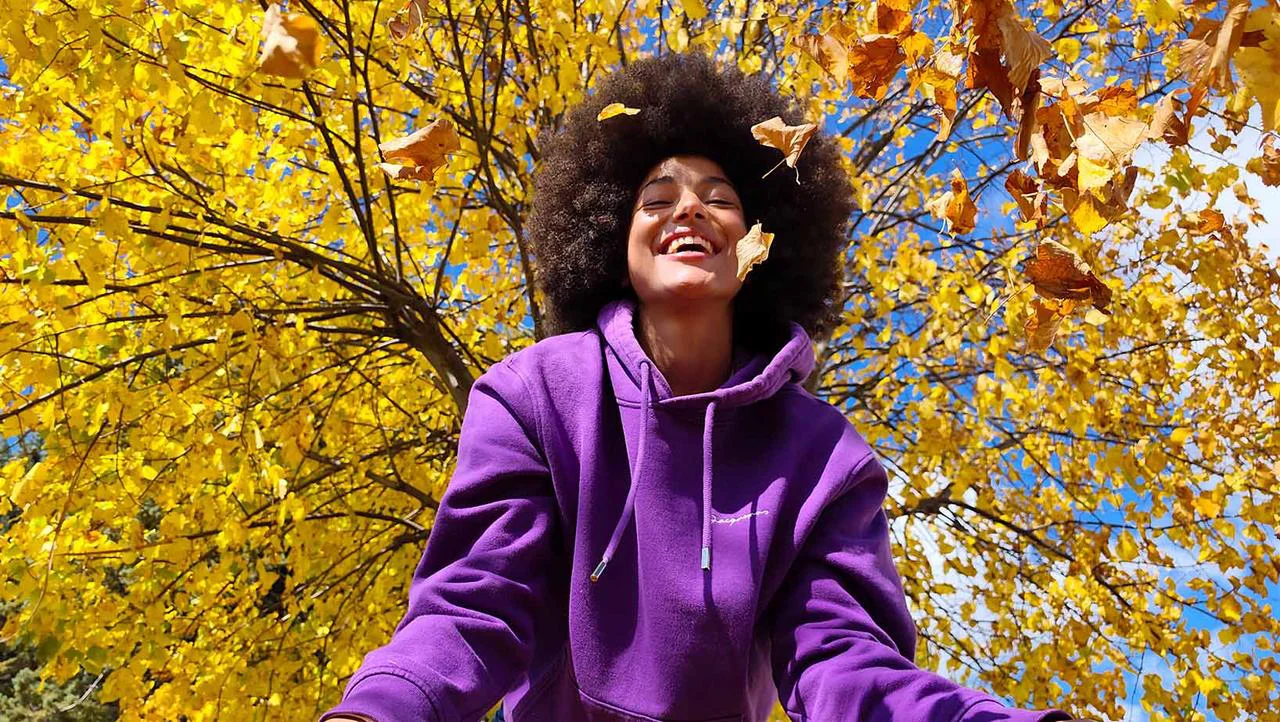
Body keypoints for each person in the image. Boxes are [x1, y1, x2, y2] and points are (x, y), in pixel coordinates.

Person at [319, 51, 1096, 722]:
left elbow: (845, 661)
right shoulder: (532, 396)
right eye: (656, 200)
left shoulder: (825, 457)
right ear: (611, 240)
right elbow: (471, 608)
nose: (689, 207)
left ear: (760, 242)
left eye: (720, 198)